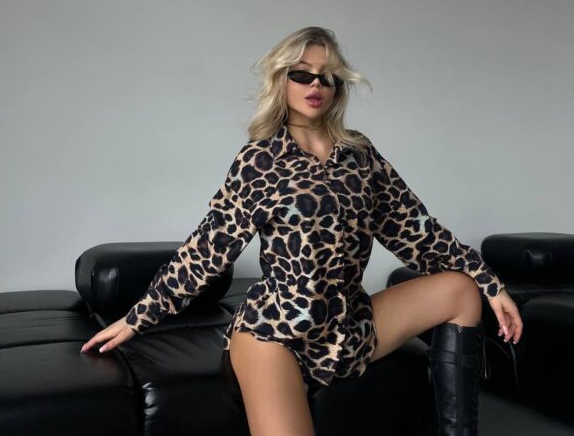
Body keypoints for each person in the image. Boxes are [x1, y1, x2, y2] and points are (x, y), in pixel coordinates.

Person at [80, 25, 523, 436]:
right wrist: (137, 318)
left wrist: (491, 284)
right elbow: (207, 249)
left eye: (327, 77)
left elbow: (417, 229)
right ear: (282, 80)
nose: (315, 85)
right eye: (302, 74)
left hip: (349, 323)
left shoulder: (360, 154)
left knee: (461, 289)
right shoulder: (259, 159)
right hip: (273, 332)